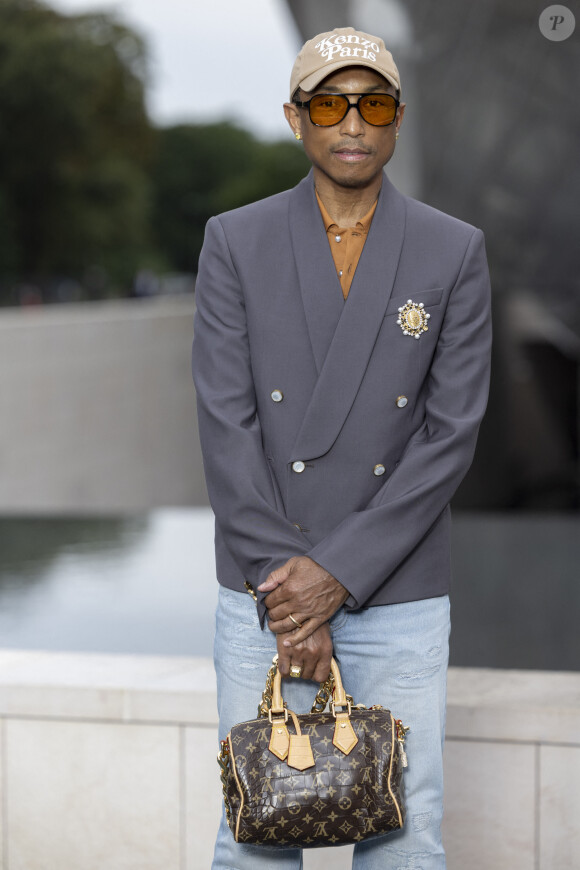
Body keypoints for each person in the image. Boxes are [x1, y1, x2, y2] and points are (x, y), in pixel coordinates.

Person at [192, 25, 492, 870]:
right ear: (297, 119)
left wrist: (338, 575)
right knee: (252, 832)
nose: (353, 123)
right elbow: (226, 424)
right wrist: (288, 588)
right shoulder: (234, 240)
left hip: (396, 593)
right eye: (331, 103)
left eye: (374, 104)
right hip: (263, 591)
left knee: (406, 830)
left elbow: (450, 435)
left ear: (397, 120)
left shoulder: (454, 249)